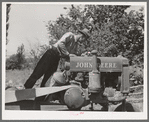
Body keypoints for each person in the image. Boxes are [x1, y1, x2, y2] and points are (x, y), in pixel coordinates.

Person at [24, 28, 90, 89]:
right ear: (82, 36)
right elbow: (60, 44)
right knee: (38, 73)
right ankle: (25, 91)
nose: (83, 41)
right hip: (51, 54)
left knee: (49, 78)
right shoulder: (70, 35)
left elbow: (73, 55)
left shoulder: (75, 45)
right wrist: (68, 54)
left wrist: (82, 55)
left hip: (56, 58)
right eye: (84, 39)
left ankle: (41, 99)